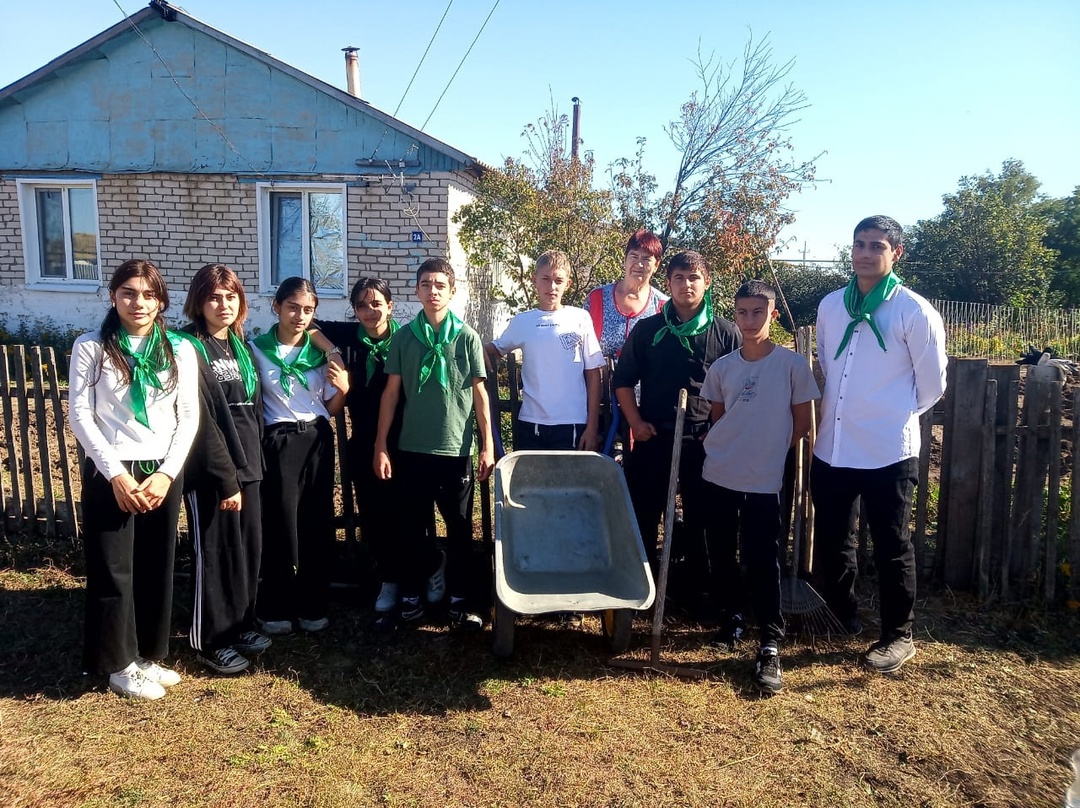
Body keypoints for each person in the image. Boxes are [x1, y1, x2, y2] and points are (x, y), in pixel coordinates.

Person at [811, 215, 947, 674]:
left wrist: (890, 414)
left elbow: (931, 386)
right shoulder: (831, 306)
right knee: (833, 539)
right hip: (833, 444)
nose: (866, 253)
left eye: (876, 246)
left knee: (892, 544)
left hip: (888, 449)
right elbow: (829, 367)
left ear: (896, 254)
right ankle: (843, 613)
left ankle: (897, 635)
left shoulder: (913, 310)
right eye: (859, 244)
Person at [69, 259, 199, 700]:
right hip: (113, 470)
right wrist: (117, 476)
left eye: (147, 294)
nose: (138, 302)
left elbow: (189, 417)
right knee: (113, 568)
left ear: (161, 300)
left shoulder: (179, 349)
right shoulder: (92, 347)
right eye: (128, 293)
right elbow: (80, 415)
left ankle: (145, 654)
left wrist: (166, 474)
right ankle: (118, 663)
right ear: (113, 297)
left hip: (161, 470)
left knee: (154, 564)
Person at [700, 280, 819, 694]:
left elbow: (802, 425)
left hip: (767, 479)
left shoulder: (791, 366)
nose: (749, 321)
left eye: (757, 312)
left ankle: (769, 641)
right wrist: (737, 449)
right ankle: (730, 621)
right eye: (742, 312)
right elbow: (719, 419)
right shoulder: (723, 368)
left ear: (773, 315)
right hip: (719, 475)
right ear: (735, 315)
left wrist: (764, 452)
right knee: (721, 551)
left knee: (763, 556)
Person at [374, 257, 495, 630]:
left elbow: (480, 396)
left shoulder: (467, 337)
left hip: (455, 450)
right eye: (426, 284)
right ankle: (411, 596)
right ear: (416, 291)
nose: (433, 291)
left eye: (440, 285)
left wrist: (488, 445)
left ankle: (461, 601)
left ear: (452, 291)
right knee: (411, 529)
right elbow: (391, 394)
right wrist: (381, 444)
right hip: (412, 449)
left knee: (460, 530)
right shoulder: (404, 337)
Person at [612, 250, 741, 582]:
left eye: (694, 278)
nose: (687, 285)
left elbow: (738, 391)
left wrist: (717, 430)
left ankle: (698, 585)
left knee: (702, 514)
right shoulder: (648, 331)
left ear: (707, 282)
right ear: (668, 283)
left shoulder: (725, 334)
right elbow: (623, 381)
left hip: (704, 440)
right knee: (644, 512)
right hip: (653, 436)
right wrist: (636, 423)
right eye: (679, 278)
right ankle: (641, 584)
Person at [177, 264, 270, 675]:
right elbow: (199, 421)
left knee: (247, 551)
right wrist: (225, 476)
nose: (224, 304)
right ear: (199, 301)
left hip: (249, 464)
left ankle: (241, 623)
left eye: (231, 296)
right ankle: (211, 639)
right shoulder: (188, 348)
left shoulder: (239, 345)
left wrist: (252, 467)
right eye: (215, 297)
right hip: (213, 471)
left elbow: (252, 410)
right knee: (215, 554)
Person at [250, 277, 350, 636]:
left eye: (308, 310)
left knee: (316, 522)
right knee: (279, 523)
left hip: (317, 438)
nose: (300, 316)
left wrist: (344, 390)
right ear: (276, 307)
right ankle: (275, 606)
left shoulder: (320, 354)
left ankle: (313, 604)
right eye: (293, 307)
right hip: (278, 441)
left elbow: (330, 407)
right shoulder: (255, 350)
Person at [312, 277, 407, 624]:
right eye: (362, 305)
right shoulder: (350, 338)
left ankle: (417, 575)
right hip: (365, 442)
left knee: (407, 515)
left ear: (390, 306)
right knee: (375, 515)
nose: (370, 311)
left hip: (406, 442)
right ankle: (388, 580)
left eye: (377, 303)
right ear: (354, 310)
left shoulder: (406, 339)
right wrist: (334, 352)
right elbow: (308, 324)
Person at [485, 249, 605, 452]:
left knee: (569, 483)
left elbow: (594, 374)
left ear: (568, 284)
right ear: (534, 280)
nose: (552, 286)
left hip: (572, 422)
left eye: (558, 280)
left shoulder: (580, 318)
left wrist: (592, 427)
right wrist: (472, 345)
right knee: (534, 483)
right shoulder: (523, 321)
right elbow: (495, 349)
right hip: (531, 422)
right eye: (546, 279)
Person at [584, 229, 669, 360]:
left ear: (656, 265)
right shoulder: (597, 298)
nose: (639, 264)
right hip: (599, 379)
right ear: (625, 259)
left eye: (646, 259)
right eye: (634, 256)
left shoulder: (664, 306)